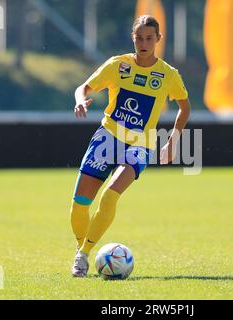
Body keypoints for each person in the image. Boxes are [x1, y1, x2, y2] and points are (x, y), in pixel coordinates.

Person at [70, 15, 191, 277]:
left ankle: (83, 255)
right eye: (139, 38)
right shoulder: (117, 65)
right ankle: (82, 249)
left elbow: (184, 108)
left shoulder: (169, 75)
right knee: (80, 203)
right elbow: (84, 87)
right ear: (133, 38)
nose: (143, 43)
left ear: (158, 39)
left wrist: (172, 142)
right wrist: (80, 101)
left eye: (149, 38)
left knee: (111, 194)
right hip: (108, 137)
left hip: (141, 143)